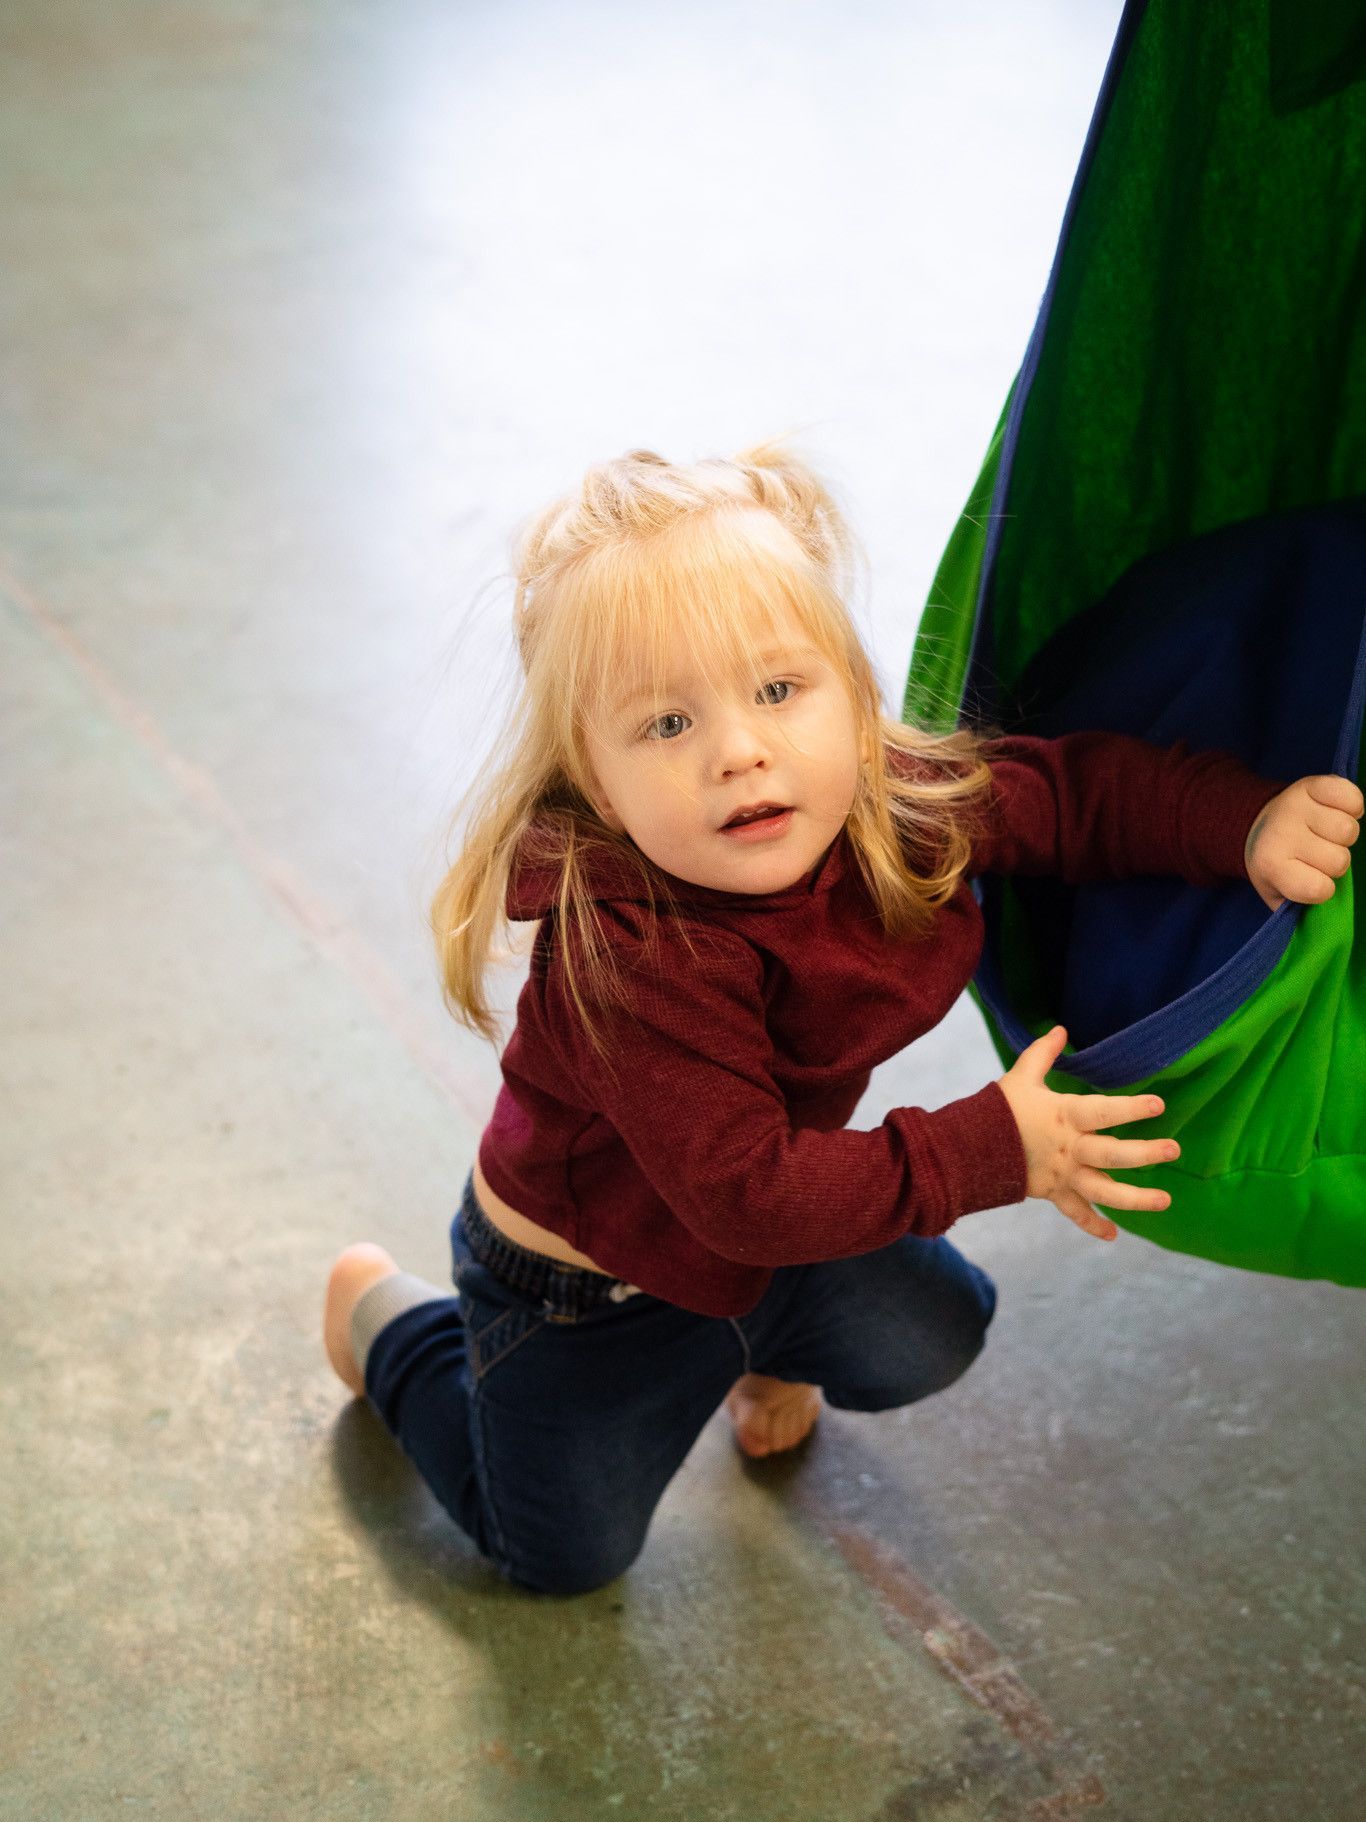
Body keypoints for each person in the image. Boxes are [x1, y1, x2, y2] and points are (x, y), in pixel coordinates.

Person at [321, 440, 1362, 1597]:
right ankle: (385, 1323)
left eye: (777, 689)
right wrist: (988, 1148)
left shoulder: (889, 804)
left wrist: (1243, 824)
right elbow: (745, 1193)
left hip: (771, 1241)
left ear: (855, 704)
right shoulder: (634, 952)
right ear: (592, 782)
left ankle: (763, 1357)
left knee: (934, 1329)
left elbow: (1071, 796)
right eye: (666, 725)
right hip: (585, 1292)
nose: (738, 750)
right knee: (559, 1556)